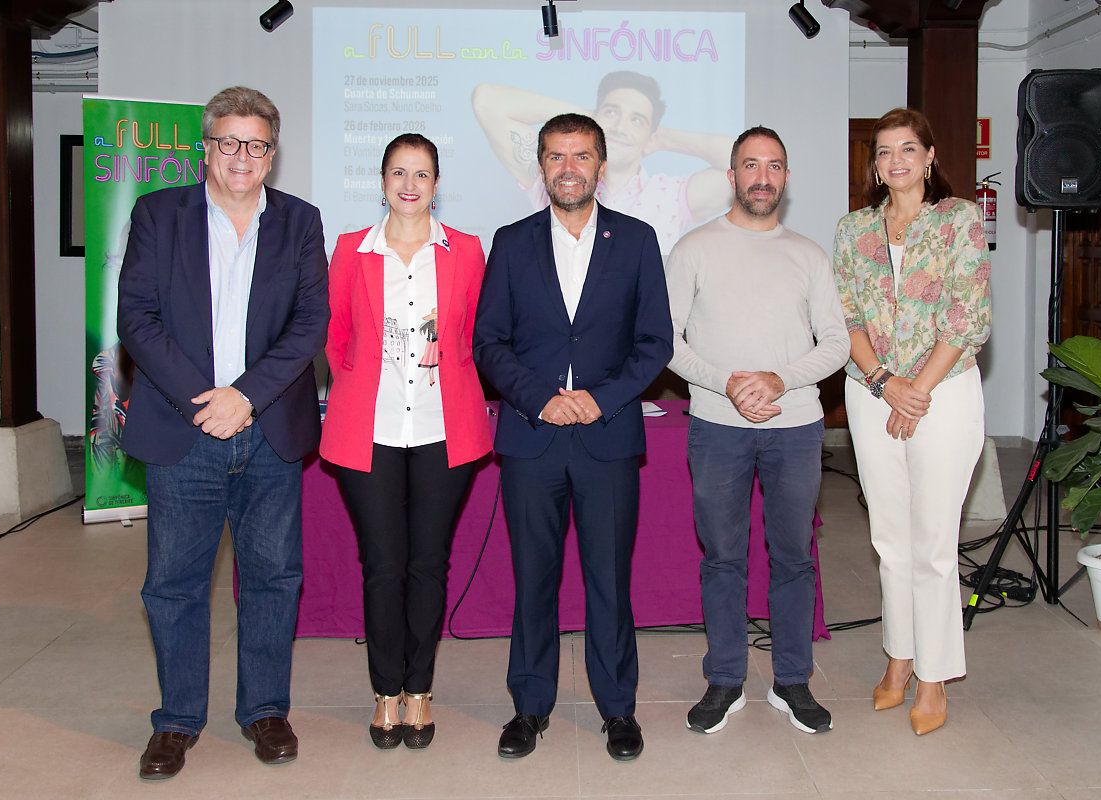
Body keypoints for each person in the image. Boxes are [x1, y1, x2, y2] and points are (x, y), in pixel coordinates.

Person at [117, 86, 329, 779]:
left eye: (257, 144)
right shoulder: (159, 215)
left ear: (273, 153)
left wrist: (246, 396)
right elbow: (137, 319)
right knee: (174, 584)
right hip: (187, 428)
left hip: (269, 428)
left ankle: (265, 709)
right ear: (205, 149)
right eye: (229, 142)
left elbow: (309, 326)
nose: (242, 157)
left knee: (273, 578)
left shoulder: (300, 222)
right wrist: (206, 401)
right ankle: (176, 719)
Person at [473, 113, 673, 762]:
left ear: (601, 166)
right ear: (541, 166)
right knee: (534, 578)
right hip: (532, 439)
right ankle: (529, 708)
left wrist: (600, 398)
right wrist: (538, 400)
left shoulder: (638, 240)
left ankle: (618, 710)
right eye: (556, 156)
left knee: (609, 581)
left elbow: (654, 344)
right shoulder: (511, 241)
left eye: (581, 156)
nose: (568, 168)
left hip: (607, 436)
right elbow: (489, 342)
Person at [664, 126, 850, 737]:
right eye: (750, 165)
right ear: (732, 176)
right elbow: (665, 341)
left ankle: (793, 680)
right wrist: (728, 384)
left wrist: (777, 381)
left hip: (795, 427)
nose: (762, 177)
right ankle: (725, 679)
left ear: (786, 178)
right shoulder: (692, 248)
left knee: (794, 557)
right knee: (723, 558)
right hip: (717, 427)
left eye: (773, 166)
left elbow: (838, 345)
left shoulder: (809, 255)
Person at [320, 133, 491, 750]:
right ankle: (384, 693)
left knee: (428, 565)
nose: (410, 185)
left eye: (422, 174)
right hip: (372, 431)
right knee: (382, 567)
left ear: (437, 183)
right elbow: (337, 341)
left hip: (444, 431)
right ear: (383, 180)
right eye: (399, 173)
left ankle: (419, 690)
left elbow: (474, 334)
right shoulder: (350, 250)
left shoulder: (467, 252)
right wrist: (373, 382)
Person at [832, 107, 991, 736]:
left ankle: (935, 677)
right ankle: (897, 661)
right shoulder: (852, 230)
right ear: (874, 166)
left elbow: (967, 314)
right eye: (883, 152)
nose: (894, 161)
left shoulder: (959, 221)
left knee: (932, 545)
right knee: (889, 541)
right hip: (873, 392)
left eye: (907, 149)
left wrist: (916, 391)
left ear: (928, 157)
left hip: (943, 393)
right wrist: (884, 383)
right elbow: (844, 317)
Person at [471, 71, 732, 253]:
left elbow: (747, 160)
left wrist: (663, 138)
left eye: (637, 120)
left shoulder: (673, 195)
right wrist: (588, 121)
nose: (619, 127)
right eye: (611, 112)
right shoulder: (563, 177)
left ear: (652, 134)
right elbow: (487, 100)